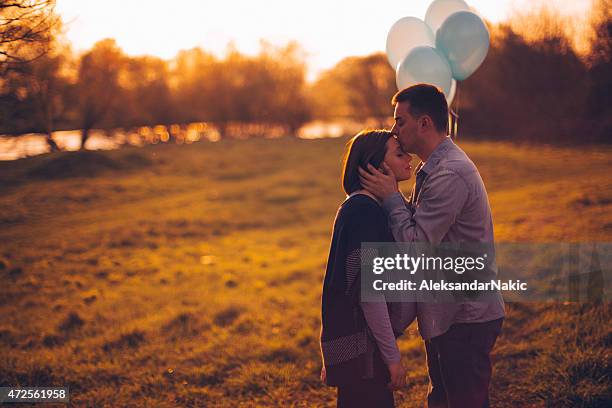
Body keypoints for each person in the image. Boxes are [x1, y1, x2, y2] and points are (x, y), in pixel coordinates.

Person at [359, 84, 506, 408]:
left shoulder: (450, 173)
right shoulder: (433, 168)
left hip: (465, 316)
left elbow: (415, 247)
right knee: (442, 398)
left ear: (424, 123)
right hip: (448, 313)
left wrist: (391, 198)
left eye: (400, 121)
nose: (394, 130)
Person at [320, 129, 416, 408]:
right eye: (399, 154)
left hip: (356, 350)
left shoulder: (360, 207)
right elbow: (370, 296)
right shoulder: (365, 214)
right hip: (364, 353)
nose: (408, 157)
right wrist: (392, 358)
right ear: (375, 166)